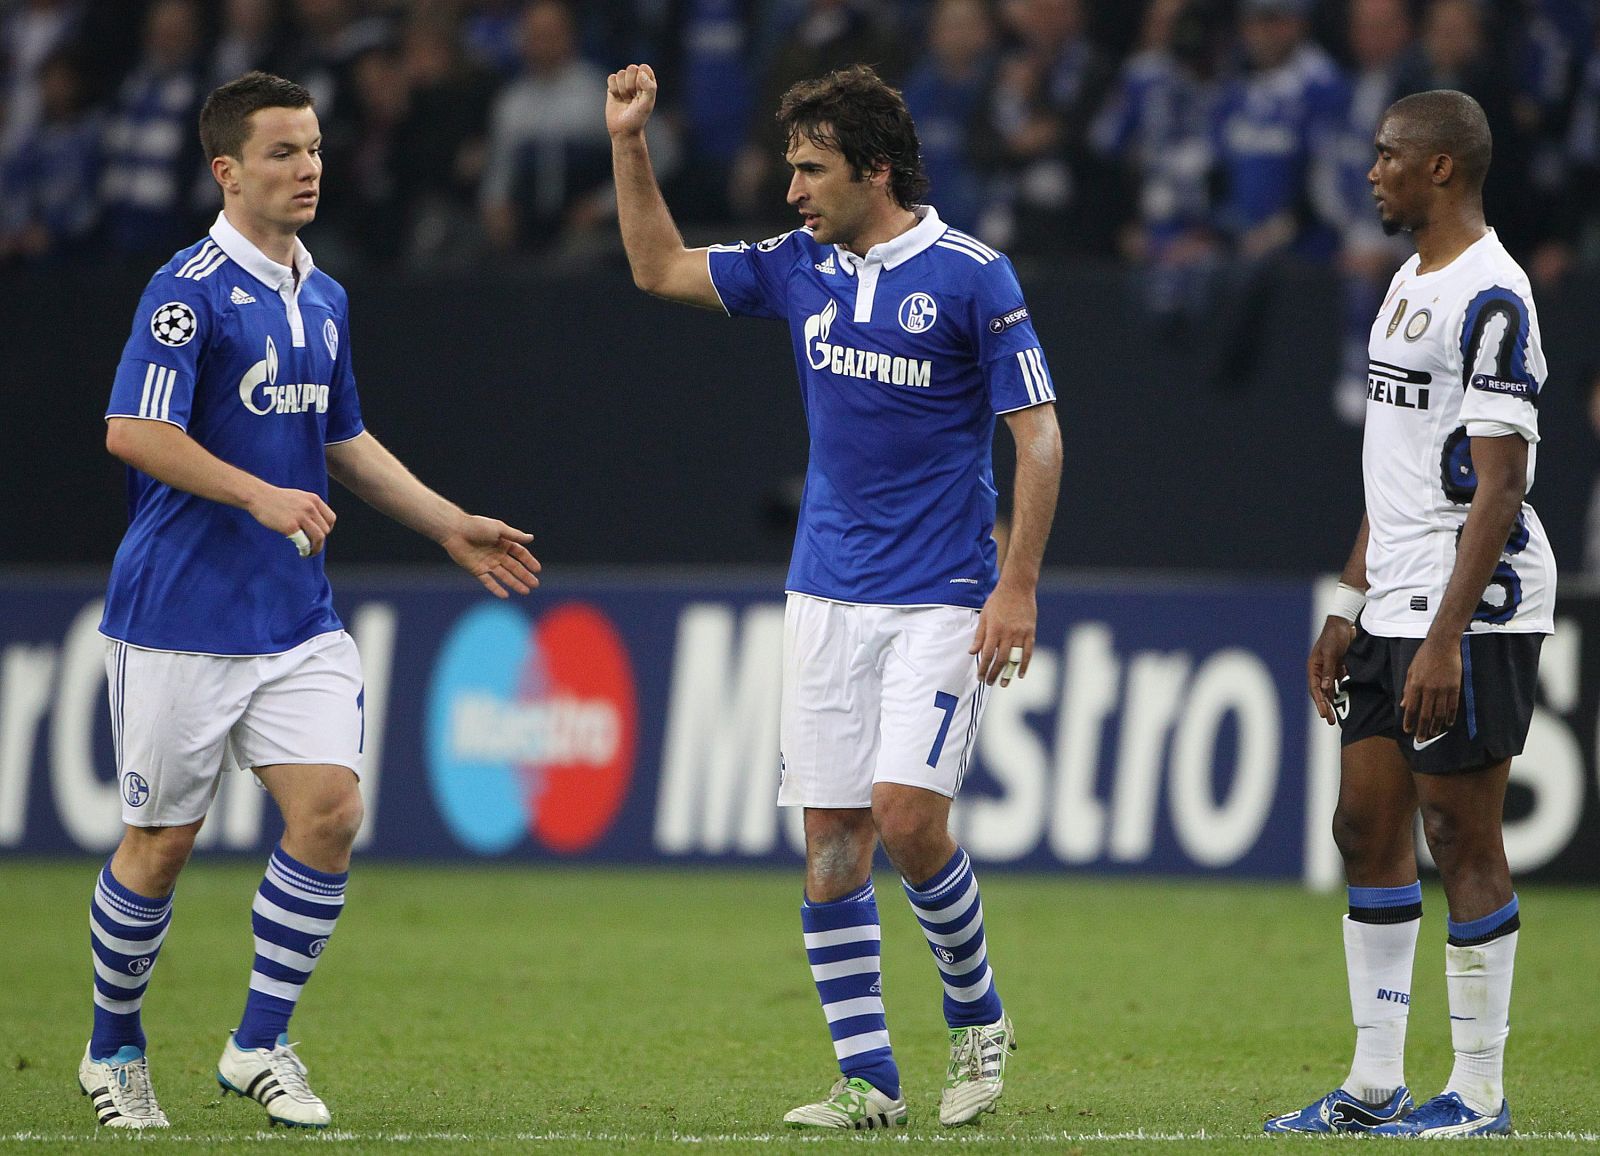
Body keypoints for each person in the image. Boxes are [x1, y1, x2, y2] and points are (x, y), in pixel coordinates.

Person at [80, 71, 540, 1131]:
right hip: (178, 618)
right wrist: (255, 491)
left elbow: (342, 441)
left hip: (293, 617)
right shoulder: (185, 290)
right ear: (227, 170)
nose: (309, 168)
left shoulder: (321, 296)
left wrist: (446, 523)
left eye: (317, 148)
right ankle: (113, 1049)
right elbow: (132, 431)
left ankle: (258, 1040)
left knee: (330, 811)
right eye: (284, 152)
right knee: (160, 844)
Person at [608, 62, 1063, 1130]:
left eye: (810, 171)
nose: (792, 192)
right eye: (789, 170)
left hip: (941, 598)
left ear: (875, 169)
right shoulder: (795, 267)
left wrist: (1018, 586)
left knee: (907, 817)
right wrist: (630, 141)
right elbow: (656, 266)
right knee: (830, 841)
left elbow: (1036, 433)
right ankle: (868, 1081)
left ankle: (977, 1017)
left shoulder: (971, 276)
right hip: (823, 597)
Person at [1268, 90, 1553, 1138]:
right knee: (1364, 825)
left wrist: (1441, 632)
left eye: (1389, 158)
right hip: (1389, 602)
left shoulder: (1494, 295)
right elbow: (1392, 474)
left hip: (1470, 611)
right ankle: (1375, 1083)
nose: (1372, 171)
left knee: (1458, 834)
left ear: (1441, 169)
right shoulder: (1404, 282)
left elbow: (1501, 485)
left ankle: (1477, 1091)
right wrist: (1349, 604)